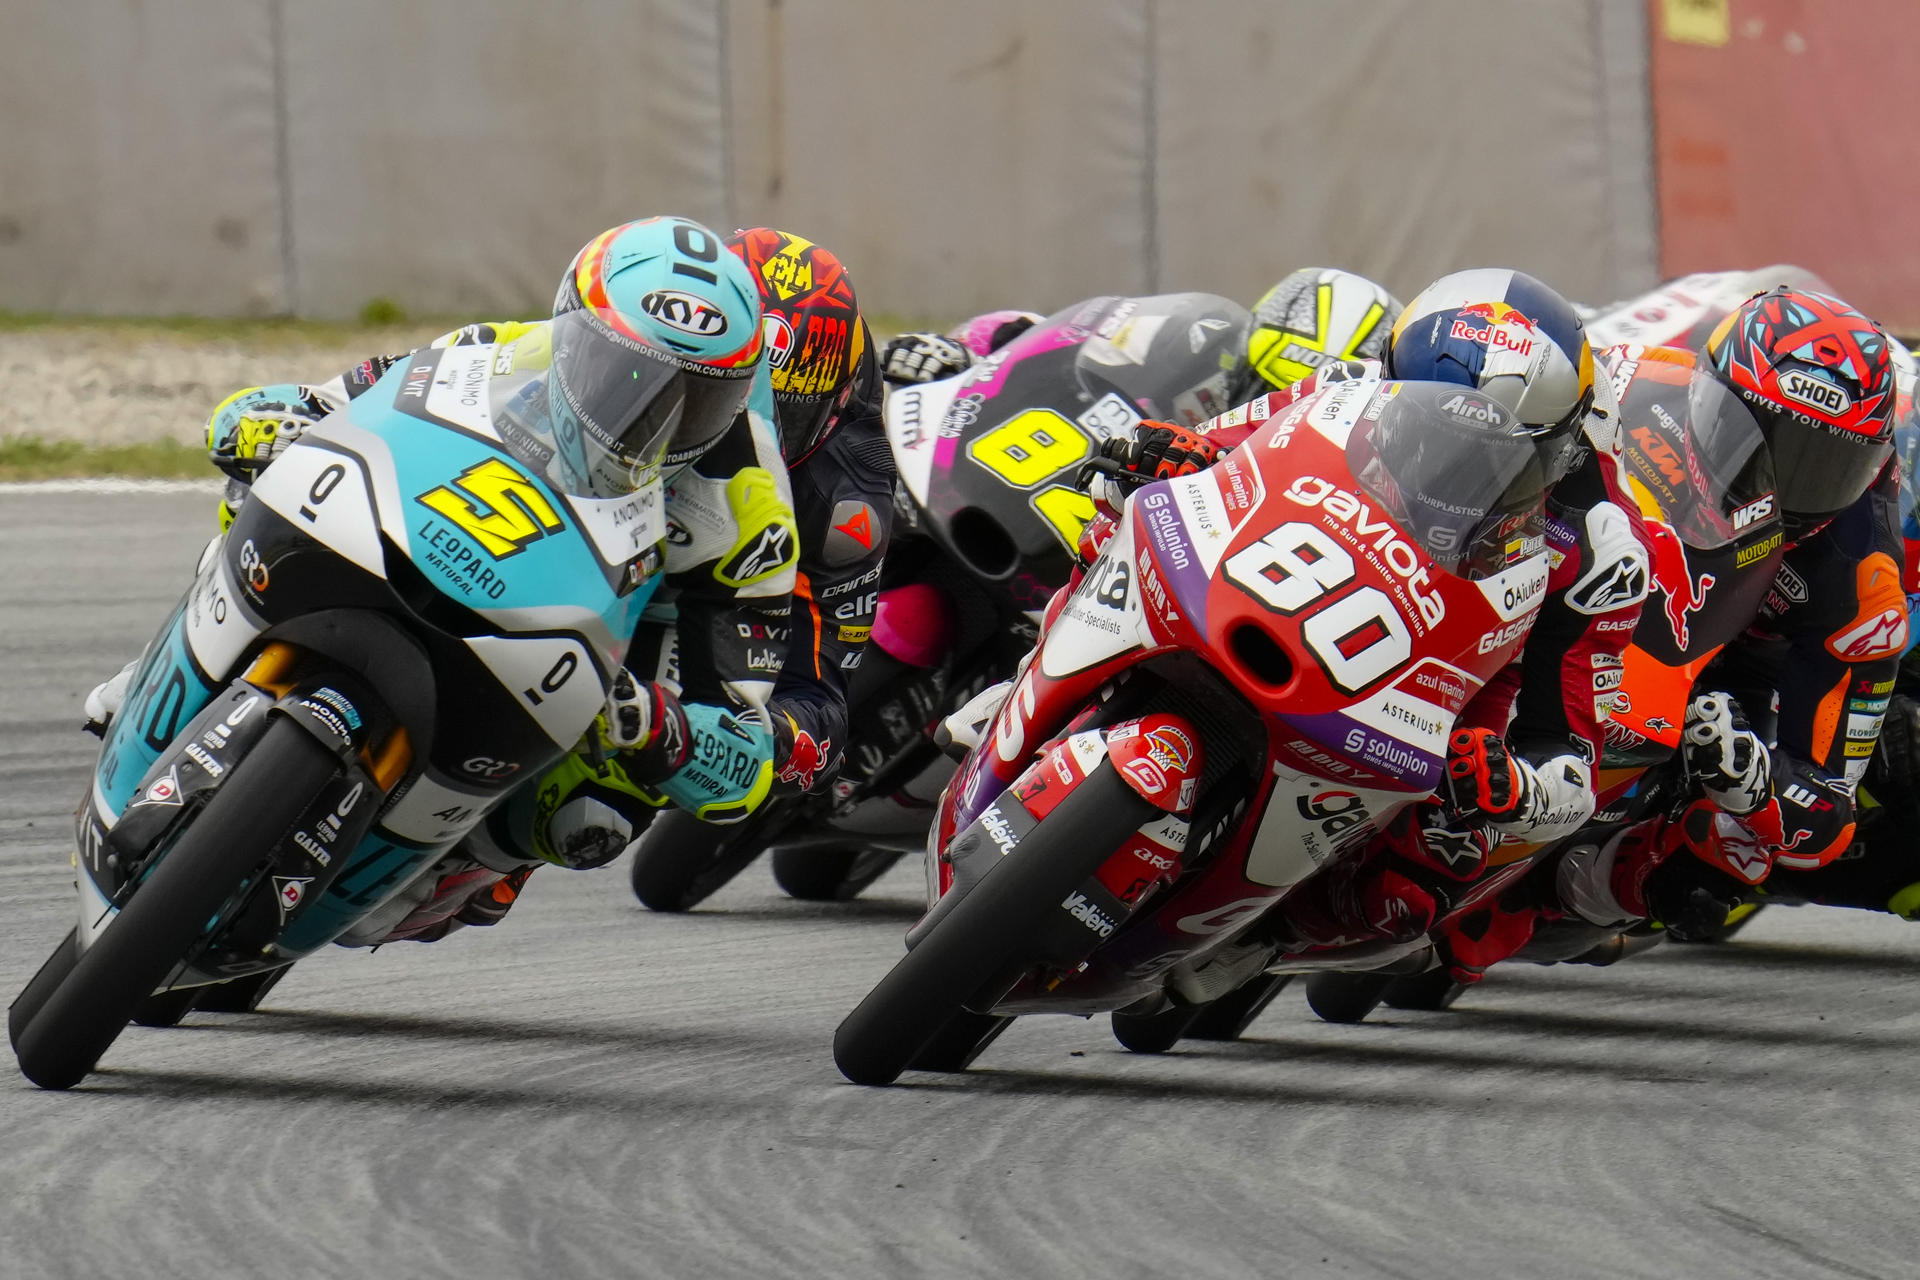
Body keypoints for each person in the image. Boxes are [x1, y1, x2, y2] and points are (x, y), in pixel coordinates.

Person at [89, 216, 803, 943]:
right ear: (570, 332)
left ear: (739, 395)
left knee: (593, 816)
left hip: (619, 630)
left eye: (695, 401)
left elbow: (743, 759)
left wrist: (662, 728)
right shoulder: (495, 350)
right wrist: (279, 417)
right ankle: (165, 664)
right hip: (466, 535)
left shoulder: (751, 513)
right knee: (267, 488)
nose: (649, 418)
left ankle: (471, 864)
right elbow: (346, 402)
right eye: (622, 375)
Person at [1092, 268, 1657, 962]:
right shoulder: (1344, 392)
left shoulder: (1600, 549)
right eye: (1430, 429)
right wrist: (1174, 456)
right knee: (1123, 516)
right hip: (1286, 579)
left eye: (1502, 452)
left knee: (1436, 865)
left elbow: (1573, 765)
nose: (1457, 471)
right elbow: (1215, 451)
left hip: (1450, 687)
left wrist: (1516, 786)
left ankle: (1268, 937)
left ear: (1561, 443)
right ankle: (1029, 679)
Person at [1544, 286, 1905, 943]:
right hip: (1591, 595)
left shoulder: (1862, 580)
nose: (1786, 483)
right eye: (1760, 440)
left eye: (1823, 465)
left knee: (1719, 861)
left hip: (1725, 684)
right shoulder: (1631, 380)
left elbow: (1830, 807)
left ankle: (1589, 891)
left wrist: (1756, 781)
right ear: (1709, 397)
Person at [879, 267, 1402, 405]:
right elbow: (1063, 338)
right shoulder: (1192, 347)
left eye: (1285, 400)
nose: (1262, 405)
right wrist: (967, 352)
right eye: (1259, 383)